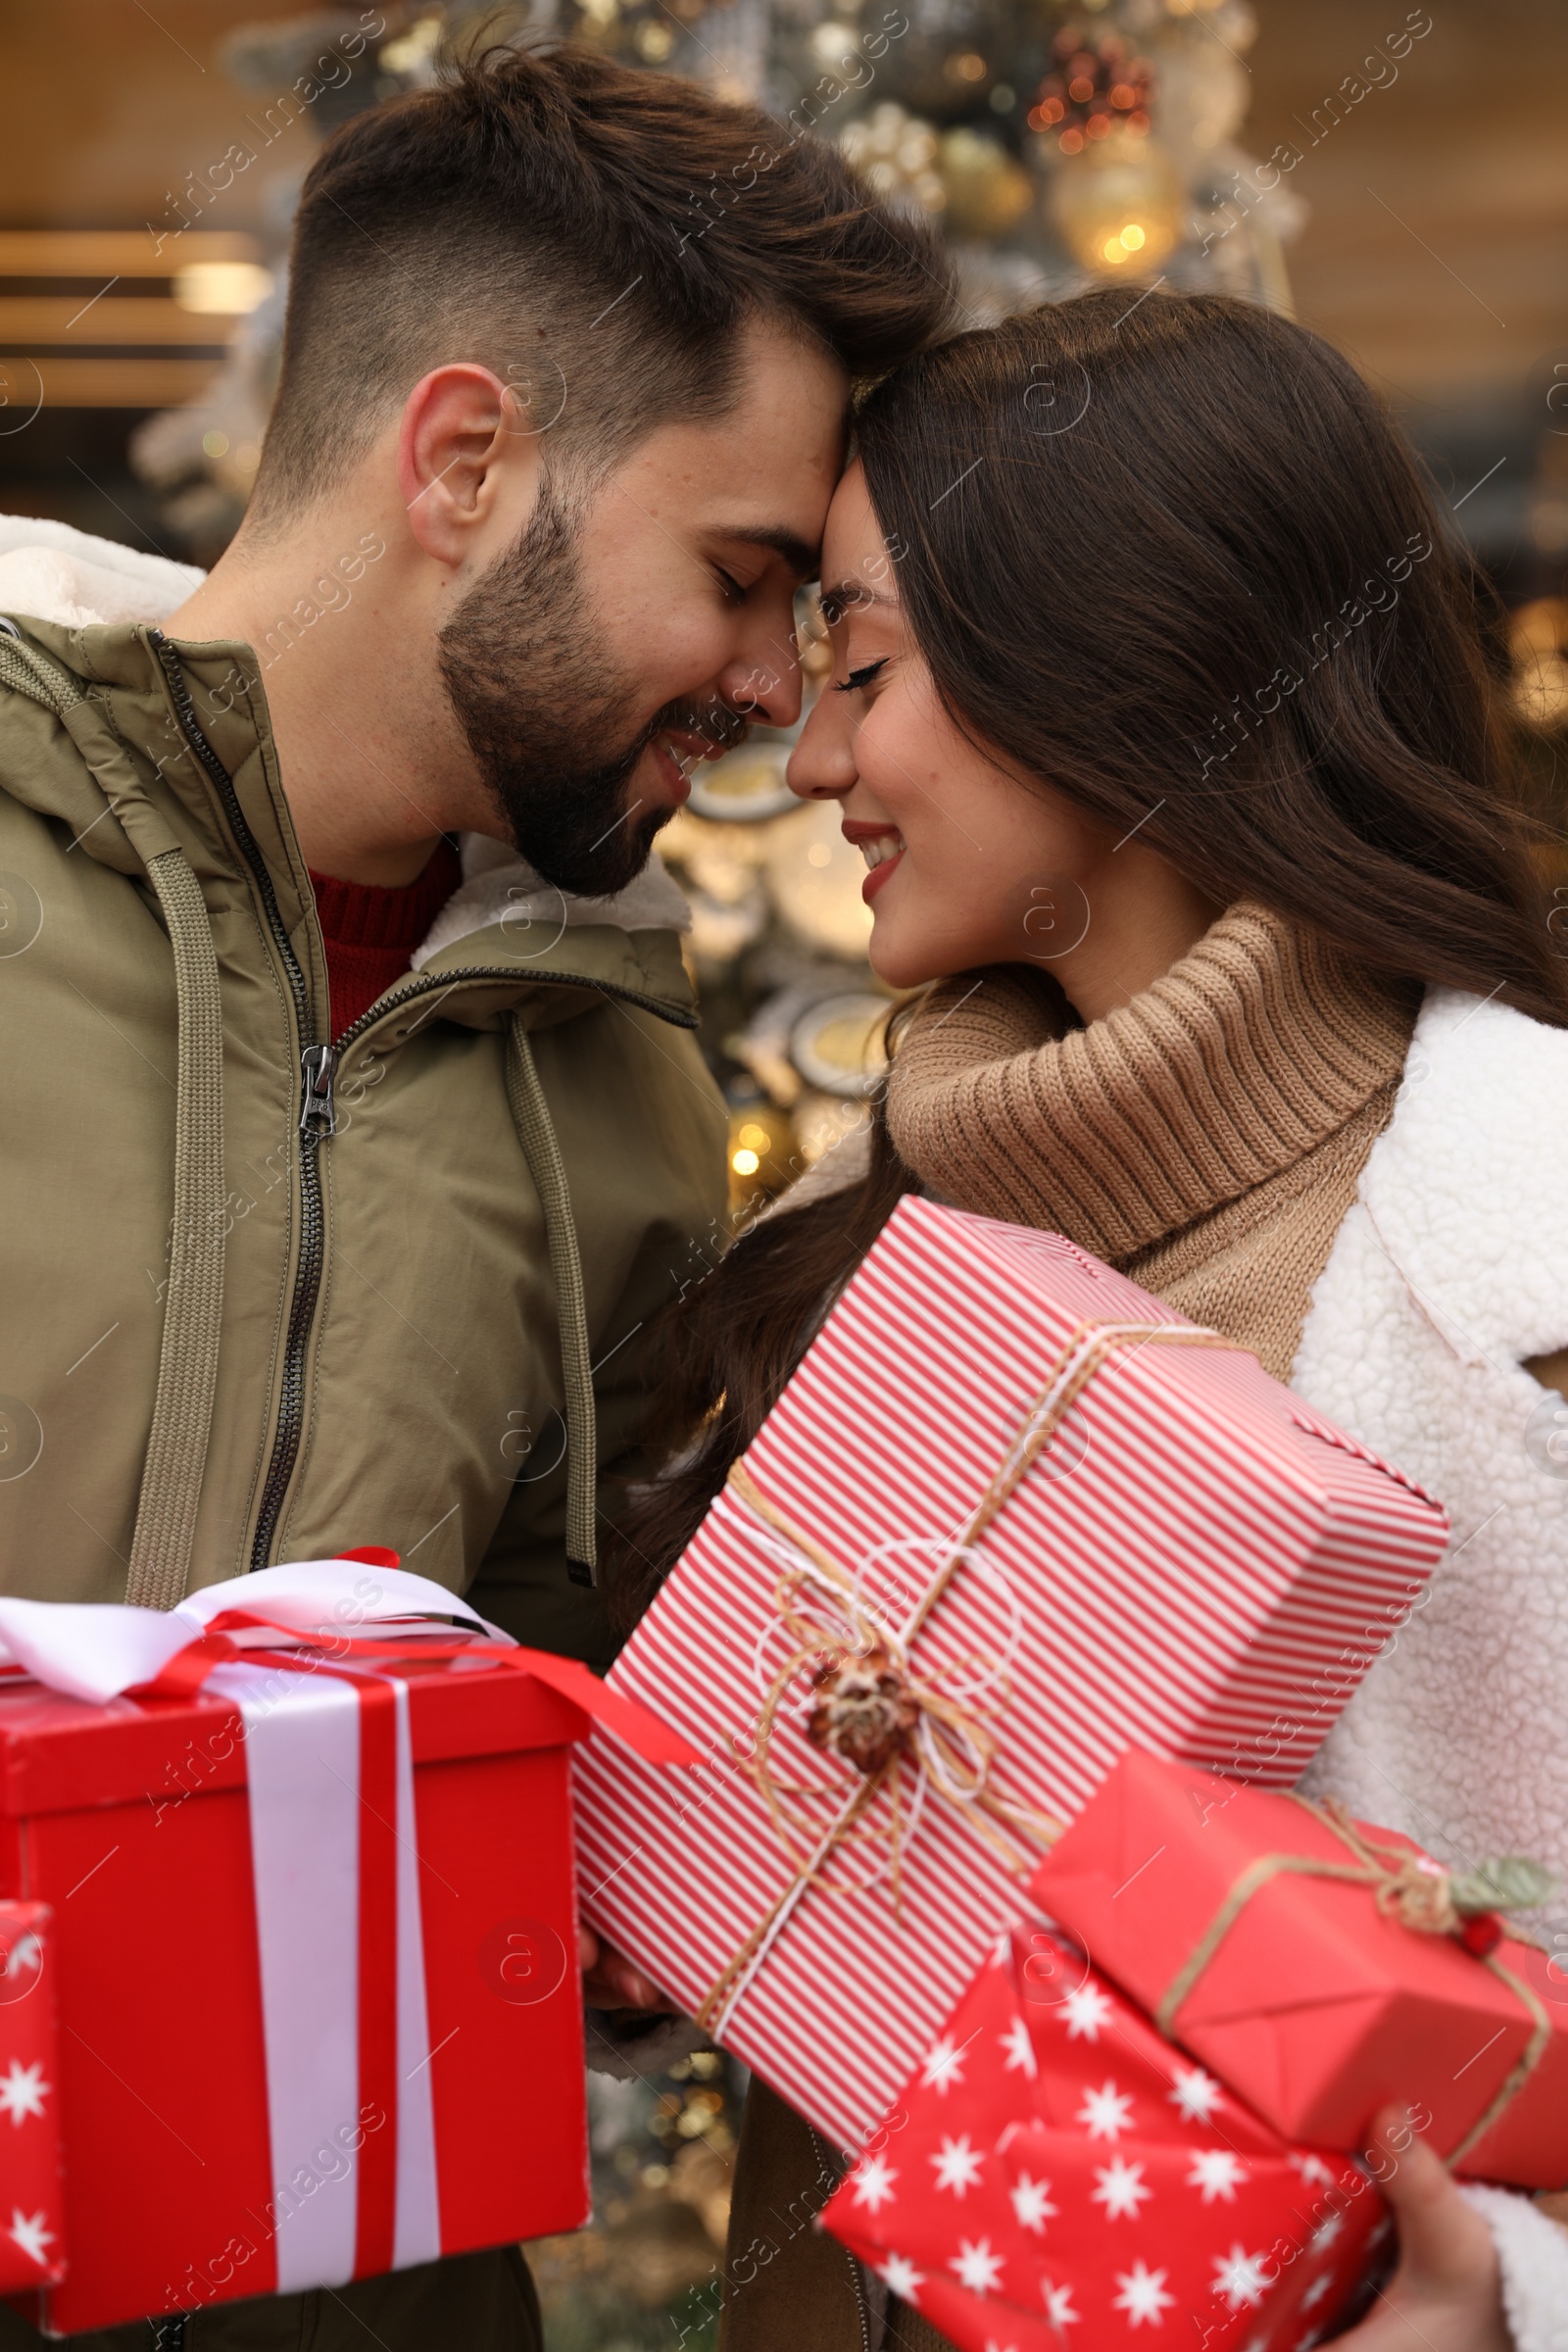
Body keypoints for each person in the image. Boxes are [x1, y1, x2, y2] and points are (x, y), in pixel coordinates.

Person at [0, 39, 950, 2352]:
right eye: (734, 580)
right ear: (460, 458)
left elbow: (562, 1726)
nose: (769, 697)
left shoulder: (630, 1089)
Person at [610, 291, 1568, 2352]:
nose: (811, 758)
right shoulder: (856, 1251)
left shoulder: (1533, 1251)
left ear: (1128, 661)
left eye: (860, 665)